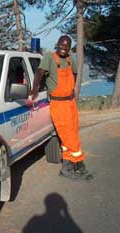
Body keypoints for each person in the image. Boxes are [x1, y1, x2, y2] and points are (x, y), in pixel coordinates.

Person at [30, 35, 93, 181]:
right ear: (57, 44)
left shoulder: (71, 59)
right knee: (68, 135)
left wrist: (71, 89)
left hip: (70, 102)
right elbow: (39, 73)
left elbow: (75, 74)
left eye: (66, 46)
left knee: (72, 132)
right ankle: (79, 164)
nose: (63, 48)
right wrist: (34, 90)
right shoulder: (49, 57)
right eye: (61, 45)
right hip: (58, 104)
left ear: (69, 47)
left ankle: (68, 166)